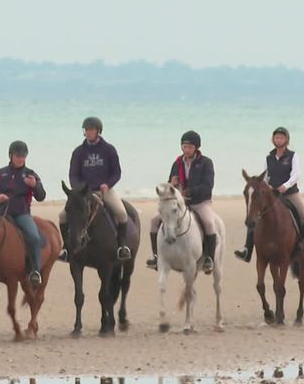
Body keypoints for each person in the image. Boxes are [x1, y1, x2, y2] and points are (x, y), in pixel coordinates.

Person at [59, 116, 131, 261]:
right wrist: (78, 189)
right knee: (62, 215)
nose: (88, 132)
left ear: (98, 131)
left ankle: (121, 246)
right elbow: (73, 174)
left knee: (122, 213)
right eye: (86, 130)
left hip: (104, 190)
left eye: (91, 130)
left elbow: (116, 172)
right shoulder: (78, 152)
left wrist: (108, 184)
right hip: (83, 193)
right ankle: (66, 248)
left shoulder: (109, 150)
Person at [146, 130, 216, 274]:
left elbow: (208, 185)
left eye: (189, 147)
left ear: (196, 148)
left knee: (209, 223)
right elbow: (170, 188)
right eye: (184, 146)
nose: (186, 150)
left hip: (200, 202)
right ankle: (156, 256)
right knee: (154, 220)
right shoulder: (177, 163)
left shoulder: (206, 163)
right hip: (178, 204)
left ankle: (209, 258)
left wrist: (189, 192)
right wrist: (170, 183)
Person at [235, 126, 304, 262]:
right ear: (273, 140)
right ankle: (247, 249)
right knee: (255, 215)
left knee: (302, 214)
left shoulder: (292, 156)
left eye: (281, 138)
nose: (279, 140)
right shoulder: (269, 158)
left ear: (287, 140)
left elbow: (296, 174)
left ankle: (302, 245)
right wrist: (266, 186)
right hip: (273, 195)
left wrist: (285, 186)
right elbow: (265, 176)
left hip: (290, 193)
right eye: (276, 137)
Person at [0, 140, 46, 287]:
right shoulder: (0, 173)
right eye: (18, 156)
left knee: (33, 236)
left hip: (22, 213)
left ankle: (35, 271)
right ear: (11, 155)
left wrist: (35, 185)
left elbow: (42, 196)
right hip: (1, 213)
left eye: (23, 156)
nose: (20, 159)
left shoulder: (31, 175)